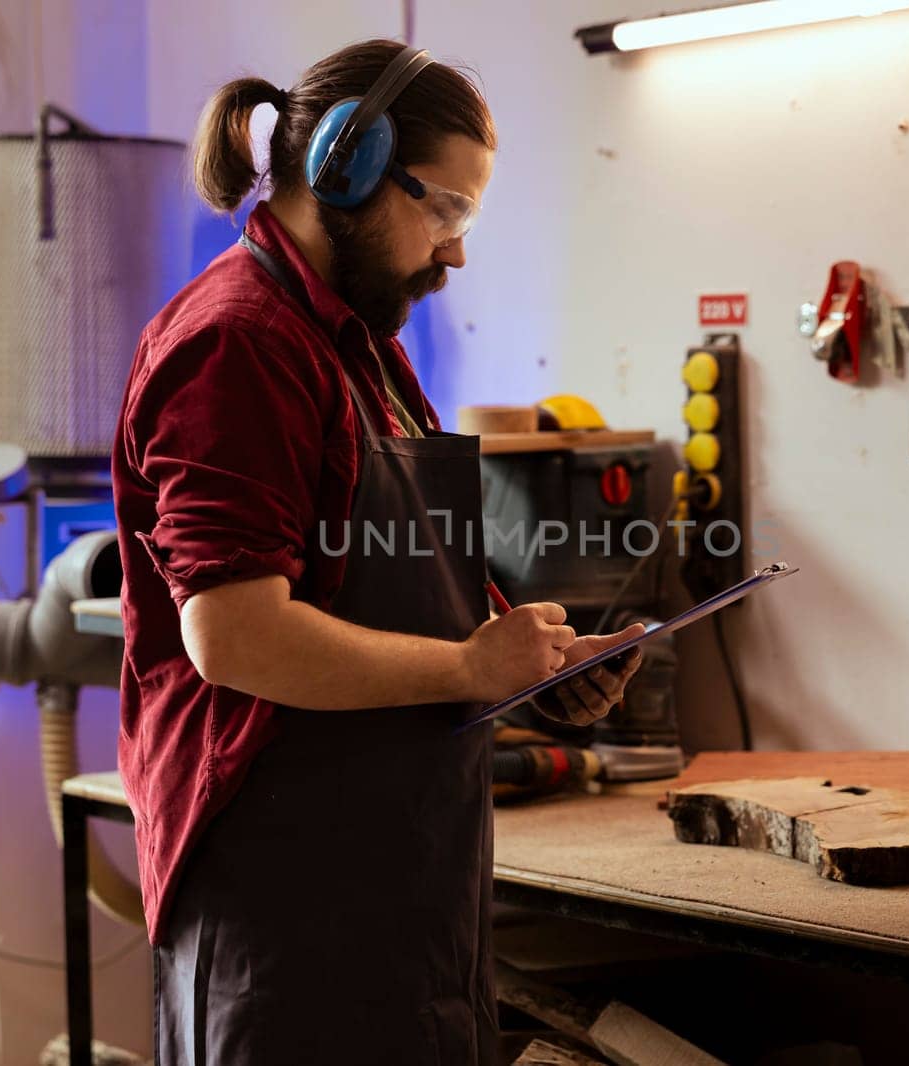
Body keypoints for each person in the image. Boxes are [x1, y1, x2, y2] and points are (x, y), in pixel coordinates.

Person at [111, 39, 644, 1065]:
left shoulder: (358, 340)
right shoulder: (237, 342)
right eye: (443, 211)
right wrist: (461, 668)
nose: (454, 252)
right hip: (282, 879)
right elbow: (232, 633)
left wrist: (524, 661)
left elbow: (392, 563)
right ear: (346, 167)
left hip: (398, 865)